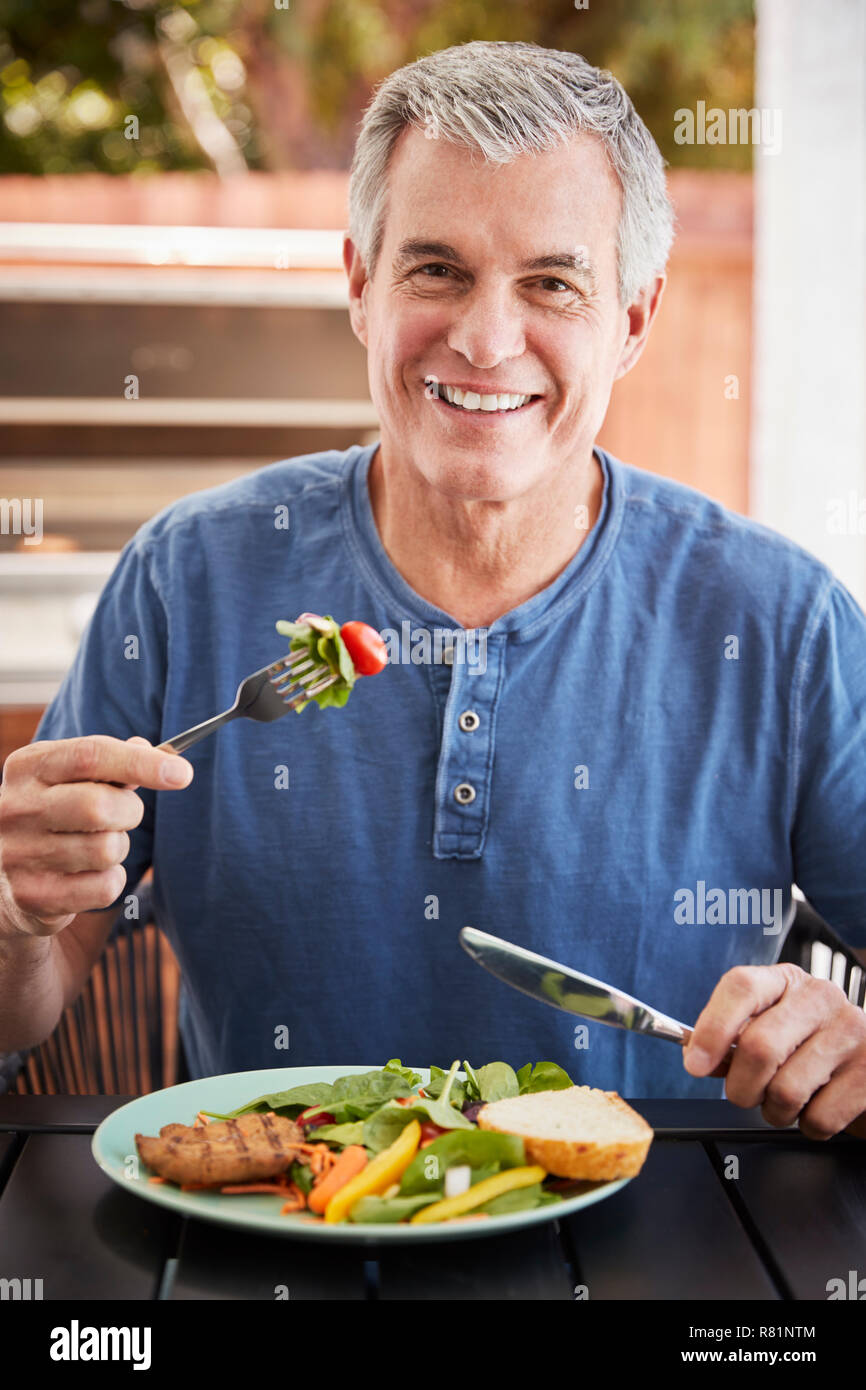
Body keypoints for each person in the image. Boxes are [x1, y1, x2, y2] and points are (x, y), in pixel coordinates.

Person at [1, 42, 864, 1137]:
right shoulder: (186, 578)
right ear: (360, 283)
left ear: (632, 320)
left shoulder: (779, 624)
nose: (484, 337)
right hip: (268, 1245)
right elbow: (29, 995)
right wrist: (13, 923)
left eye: (551, 282)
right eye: (435, 269)